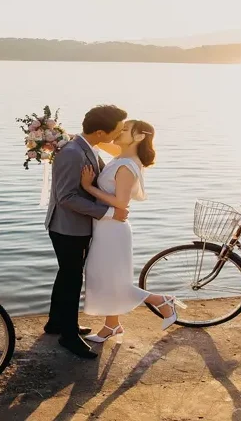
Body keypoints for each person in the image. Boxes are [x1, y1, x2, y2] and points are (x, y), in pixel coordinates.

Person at [80, 120, 183, 344]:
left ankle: (162, 301)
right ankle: (112, 325)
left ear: (138, 137)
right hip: (106, 227)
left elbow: (121, 203)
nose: (119, 131)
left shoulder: (126, 166)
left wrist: (89, 188)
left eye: (125, 129)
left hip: (113, 230)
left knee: (113, 280)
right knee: (108, 277)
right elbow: (98, 143)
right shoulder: (123, 156)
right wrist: (68, 136)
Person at [44, 104, 129, 359]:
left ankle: (56, 322)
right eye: (118, 128)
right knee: (72, 279)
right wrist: (107, 213)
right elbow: (67, 196)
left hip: (74, 226)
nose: (120, 131)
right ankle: (68, 336)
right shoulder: (73, 152)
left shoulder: (85, 145)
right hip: (67, 227)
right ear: (102, 131)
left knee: (67, 275)